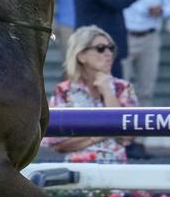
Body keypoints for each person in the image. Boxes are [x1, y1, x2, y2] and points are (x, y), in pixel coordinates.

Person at [41, 26, 137, 164]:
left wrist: (108, 92)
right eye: (100, 48)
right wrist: (103, 132)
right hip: (78, 172)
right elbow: (57, 144)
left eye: (110, 48)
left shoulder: (123, 88)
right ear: (81, 56)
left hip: (117, 170)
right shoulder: (64, 91)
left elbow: (128, 135)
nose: (108, 53)